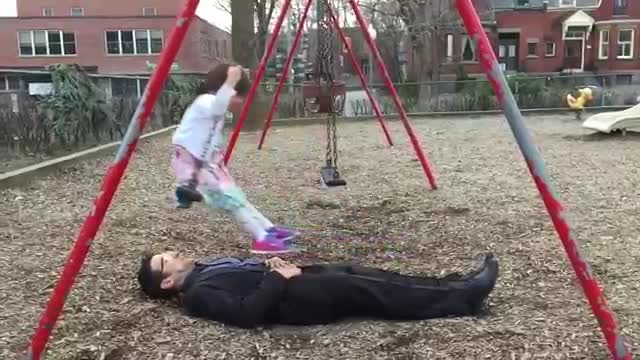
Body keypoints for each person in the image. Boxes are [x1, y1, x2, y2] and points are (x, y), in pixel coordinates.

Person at [137, 250, 499, 329]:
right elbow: (247, 313)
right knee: (375, 290)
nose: (172, 253)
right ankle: (464, 298)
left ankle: (454, 286)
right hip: (298, 301)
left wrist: (271, 264)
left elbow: (246, 273)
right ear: (167, 282)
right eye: (165, 260)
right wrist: (279, 277)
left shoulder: (204, 268)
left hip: (297, 279)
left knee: (372, 274)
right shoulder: (198, 295)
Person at [170, 63, 299, 254]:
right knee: (231, 201)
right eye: (238, 94)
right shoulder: (206, 101)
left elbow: (211, 135)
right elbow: (217, 108)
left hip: (208, 164)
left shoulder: (214, 108)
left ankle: (268, 229)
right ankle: (260, 238)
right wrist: (231, 80)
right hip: (192, 166)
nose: (239, 101)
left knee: (238, 198)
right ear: (225, 88)